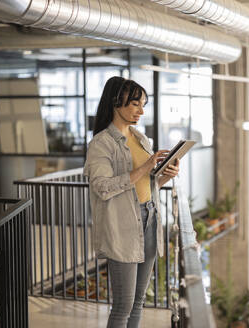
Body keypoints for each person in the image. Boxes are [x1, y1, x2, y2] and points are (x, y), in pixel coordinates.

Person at [83, 76, 179, 328]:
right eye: (135, 103)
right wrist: (147, 166)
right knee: (123, 305)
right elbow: (102, 187)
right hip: (123, 225)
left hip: (149, 217)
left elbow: (144, 186)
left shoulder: (140, 138)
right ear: (117, 102)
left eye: (143, 104)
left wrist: (162, 178)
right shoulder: (101, 143)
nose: (141, 110)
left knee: (138, 302)